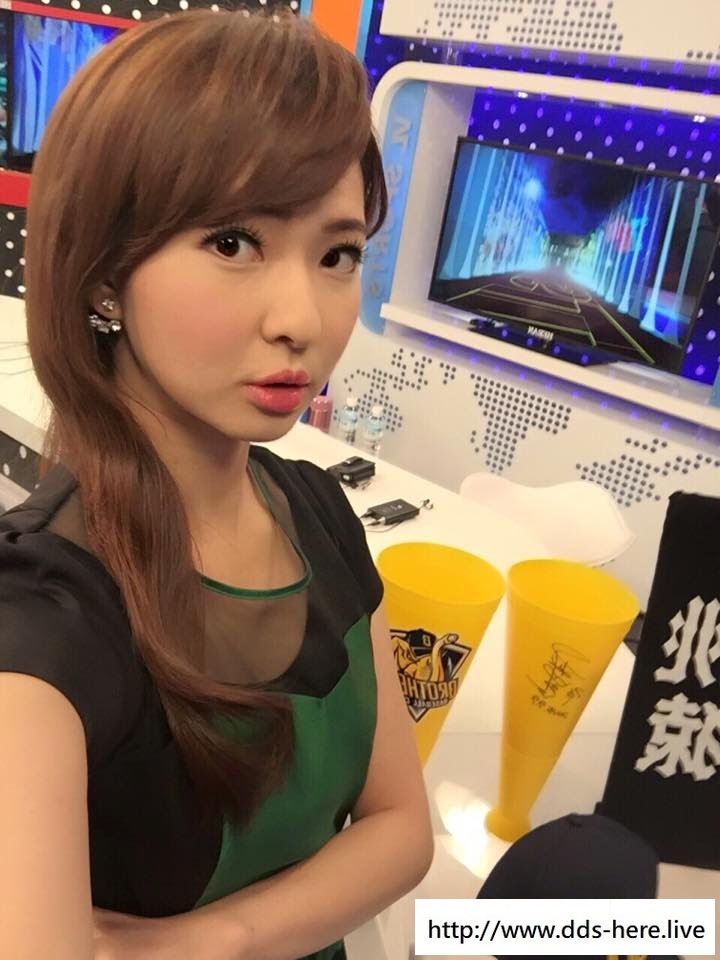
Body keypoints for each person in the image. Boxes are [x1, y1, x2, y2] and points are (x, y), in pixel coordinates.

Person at [0, 9, 433, 960]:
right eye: (234, 243)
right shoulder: (44, 622)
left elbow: (404, 831)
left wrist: (212, 940)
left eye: (337, 254)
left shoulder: (317, 512)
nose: (301, 318)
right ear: (103, 273)